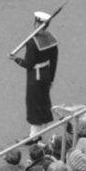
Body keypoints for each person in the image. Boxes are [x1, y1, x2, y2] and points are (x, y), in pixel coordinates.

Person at [12, 10, 58, 139]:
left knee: (34, 104)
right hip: (47, 74)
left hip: (35, 76)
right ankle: (40, 131)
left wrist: (16, 60)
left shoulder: (32, 42)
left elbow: (28, 64)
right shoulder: (51, 39)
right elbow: (54, 61)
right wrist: (51, 79)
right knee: (43, 102)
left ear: (37, 24)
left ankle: (34, 137)